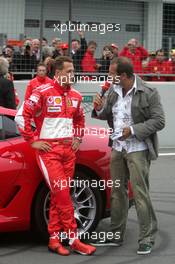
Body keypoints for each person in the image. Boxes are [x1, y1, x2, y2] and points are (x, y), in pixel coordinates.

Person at [15, 56, 96, 256]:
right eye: (69, 72)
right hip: (48, 152)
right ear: (58, 74)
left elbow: (79, 119)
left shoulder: (76, 95)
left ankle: (53, 239)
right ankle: (74, 239)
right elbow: (21, 116)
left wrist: (78, 137)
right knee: (63, 194)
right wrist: (33, 140)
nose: (73, 75)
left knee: (59, 196)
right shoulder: (41, 91)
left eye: (73, 71)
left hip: (68, 152)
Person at [91, 57, 165, 255]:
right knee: (117, 192)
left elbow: (159, 121)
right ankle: (116, 235)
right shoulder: (112, 91)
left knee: (140, 193)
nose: (108, 77)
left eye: (111, 74)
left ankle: (147, 237)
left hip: (137, 148)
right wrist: (98, 107)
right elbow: (106, 113)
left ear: (122, 75)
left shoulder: (148, 92)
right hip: (117, 147)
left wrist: (132, 130)